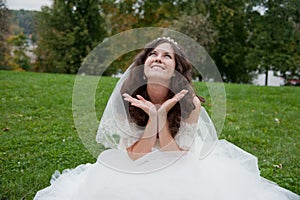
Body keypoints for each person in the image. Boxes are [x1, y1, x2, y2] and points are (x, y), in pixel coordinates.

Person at [34, 37, 299, 200]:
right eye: (153, 54)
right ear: (144, 66)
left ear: (176, 69)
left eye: (167, 56)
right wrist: (153, 119)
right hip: (137, 158)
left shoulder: (190, 104)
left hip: (181, 160)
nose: (158, 58)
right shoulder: (126, 99)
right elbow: (136, 156)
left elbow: (176, 154)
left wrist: (162, 118)